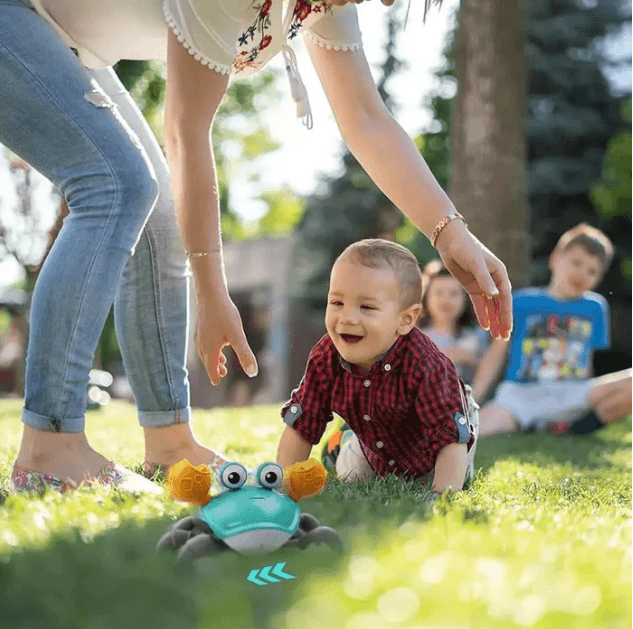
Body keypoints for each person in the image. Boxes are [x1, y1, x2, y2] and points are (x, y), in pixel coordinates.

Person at [3, 0, 511, 494]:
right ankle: (50, 448)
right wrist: (211, 291)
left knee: (155, 211)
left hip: (62, 38)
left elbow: (366, 120)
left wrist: (450, 234)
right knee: (117, 183)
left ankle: (169, 442)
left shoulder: (326, 5)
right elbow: (185, 130)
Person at [277, 239, 479, 494]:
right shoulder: (325, 357)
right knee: (352, 475)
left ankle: (346, 440)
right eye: (337, 303)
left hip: (436, 447)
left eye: (367, 307)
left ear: (405, 320)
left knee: (453, 480)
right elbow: (302, 422)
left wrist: (443, 495)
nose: (347, 318)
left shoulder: (427, 365)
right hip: (375, 446)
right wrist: (285, 485)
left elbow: (449, 437)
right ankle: (341, 444)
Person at [473, 223, 632, 437]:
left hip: (571, 392)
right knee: (474, 430)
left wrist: (591, 398)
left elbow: (587, 362)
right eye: (576, 263)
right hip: (521, 394)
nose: (582, 274)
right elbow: (496, 354)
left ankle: (572, 429)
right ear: (555, 259)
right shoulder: (521, 302)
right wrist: (474, 399)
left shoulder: (595, 307)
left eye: (592, 271)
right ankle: (536, 423)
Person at [418, 260, 490, 388]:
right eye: (439, 293)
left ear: (466, 299)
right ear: (426, 297)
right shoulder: (415, 336)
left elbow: (490, 371)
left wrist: (469, 359)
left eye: (454, 294)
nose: (446, 300)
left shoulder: (477, 335)